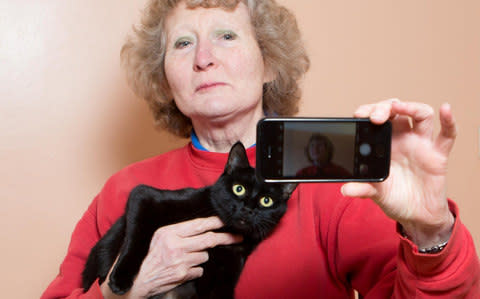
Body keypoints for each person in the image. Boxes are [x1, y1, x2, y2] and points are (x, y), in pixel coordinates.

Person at [41, 0, 480, 298]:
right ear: (164, 78)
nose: (203, 58)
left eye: (227, 36)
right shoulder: (125, 190)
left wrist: (431, 231)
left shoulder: (332, 186)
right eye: (183, 43)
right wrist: (125, 291)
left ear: (269, 62)